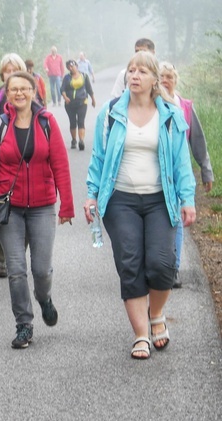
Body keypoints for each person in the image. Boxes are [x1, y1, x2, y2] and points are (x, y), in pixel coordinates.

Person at [85, 51, 196, 360]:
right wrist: (92, 194)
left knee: (162, 265)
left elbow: (181, 162)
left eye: (141, 72)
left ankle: (156, 314)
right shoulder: (110, 113)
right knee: (130, 264)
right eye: (131, 71)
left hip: (161, 199)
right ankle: (141, 334)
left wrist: (187, 199)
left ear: (154, 80)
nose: (134, 75)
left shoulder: (171, 115)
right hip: (120, 200)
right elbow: (98, 159)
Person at [0, 71, 74, 349]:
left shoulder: (47, 122)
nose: (19, 93)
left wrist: (67, 205)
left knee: (41, 270)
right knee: (16, 270)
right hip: (9, 208)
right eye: (13, 89)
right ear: (7, 93)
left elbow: (61, 165)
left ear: (33, 91)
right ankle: (24, 325)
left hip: (42, 207)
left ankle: (44, 298)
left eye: (24, 88)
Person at [158, 61, 214, 288]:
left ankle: (174, 269)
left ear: (176, 80)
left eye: (169, 76)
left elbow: (197, 141)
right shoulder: (152, 105)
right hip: (156, 176)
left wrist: (206, 170)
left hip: (178, 175)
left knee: (176, 221)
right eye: (161, 76)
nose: (165, 80)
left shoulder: (186, 107)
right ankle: (159, 264)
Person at [0, 53, 26, 279]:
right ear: (2, 74)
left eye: (14, 70)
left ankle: (13, 255)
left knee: (25, 213)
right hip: (0, 163)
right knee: (5, 209)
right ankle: (4, 257)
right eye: (7, 71)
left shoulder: (31, 96)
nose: (10, 74)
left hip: (25, 162)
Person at [61, 59, 96, 151]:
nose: (71, 68)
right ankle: (73, 140)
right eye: (69, 67)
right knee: (72, 122)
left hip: (82, 102)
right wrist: (65, 97)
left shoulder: (84, 76)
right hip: (70, 103)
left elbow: (89, 88)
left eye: (72, 66)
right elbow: (62, 89)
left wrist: (93, 99)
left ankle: (81, 140)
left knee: (81, 121)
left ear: (76, 66)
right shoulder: (67, 78)